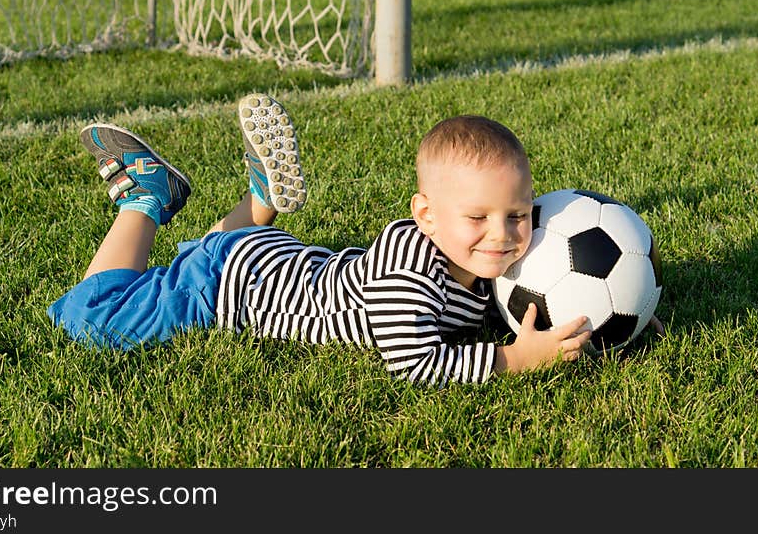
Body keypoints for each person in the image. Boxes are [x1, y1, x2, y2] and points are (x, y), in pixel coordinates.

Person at [49, 93, 646, 386]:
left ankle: (260, 201)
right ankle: (147, 198)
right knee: (93, 319)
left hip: (276, 261)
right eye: (478, 219)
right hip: (229, 289)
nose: (504, 236)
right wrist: (517, 358)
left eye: (518, 216)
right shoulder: (409, 271)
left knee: (188, 261)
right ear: (426, 216)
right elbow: (416, 364)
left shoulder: (482, 265)